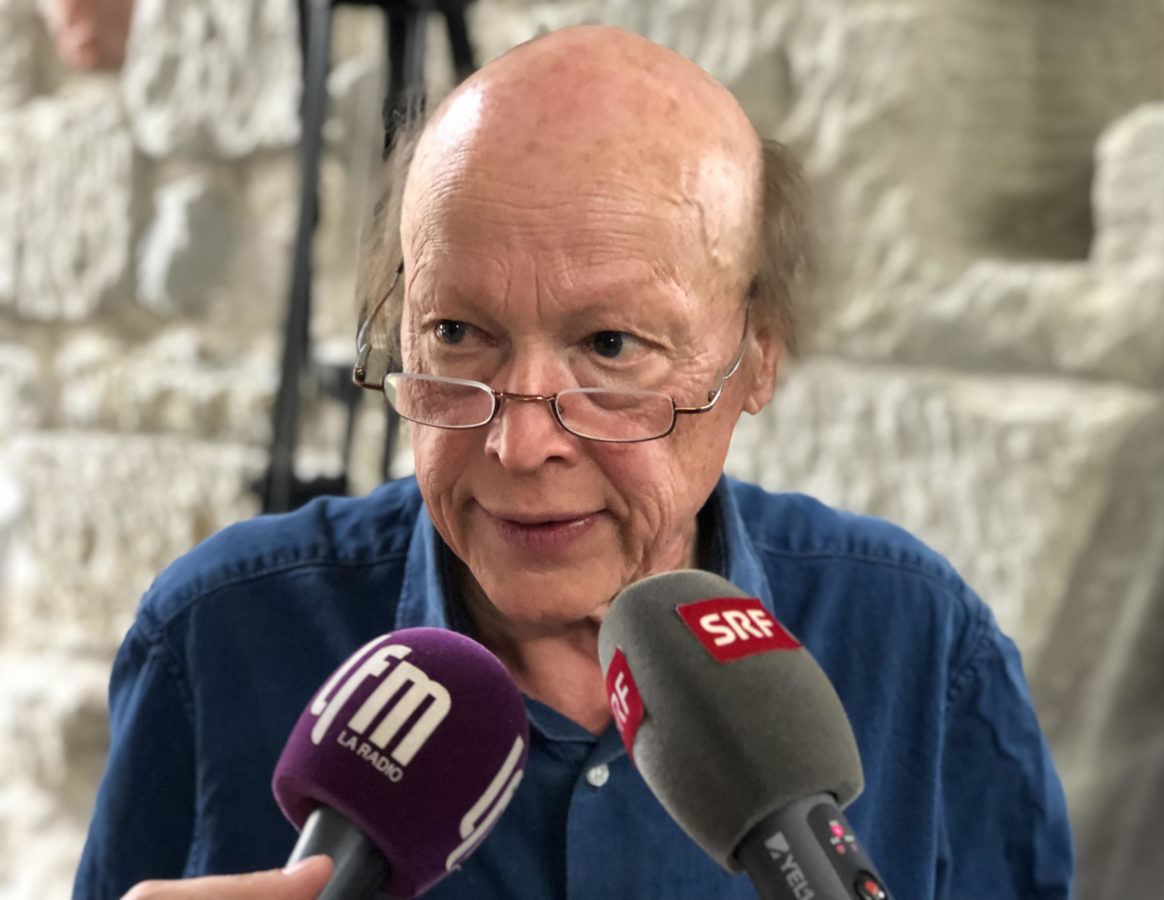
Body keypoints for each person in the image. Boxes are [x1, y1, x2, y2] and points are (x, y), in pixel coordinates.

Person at [75, 25, 1074, 900]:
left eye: (610, 347)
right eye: (456, 333)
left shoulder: (921, 647)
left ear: (757, 357)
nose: (519, 445)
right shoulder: (216, 640)